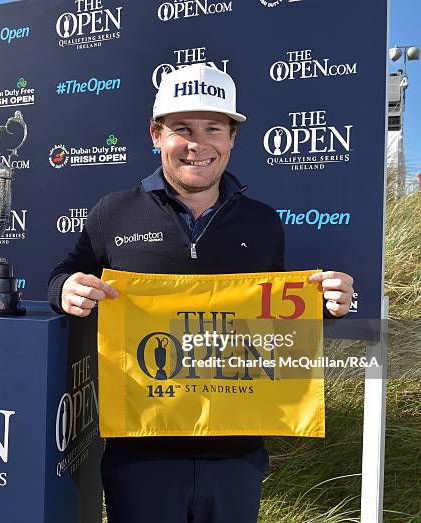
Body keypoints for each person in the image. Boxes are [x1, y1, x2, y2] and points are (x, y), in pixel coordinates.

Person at [48, 63, 354, 523]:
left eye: (214, 128)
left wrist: (325, 304)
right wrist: (65, 288)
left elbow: (270, 318)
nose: (197, 144)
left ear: (232, 138)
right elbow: (64, 275)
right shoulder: (113, 212)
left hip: (237, 450)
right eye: (181, 129)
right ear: (156, 135)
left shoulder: (262, 221)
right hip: (141, 450)